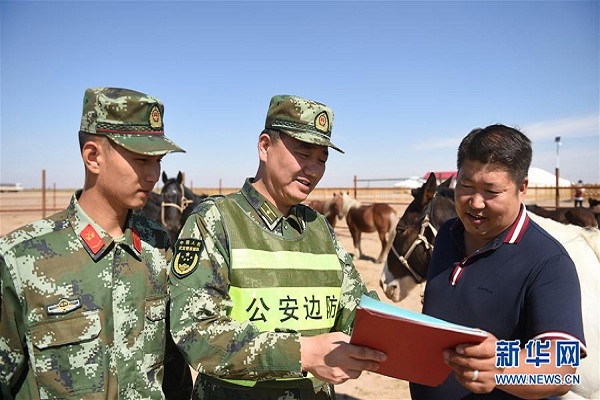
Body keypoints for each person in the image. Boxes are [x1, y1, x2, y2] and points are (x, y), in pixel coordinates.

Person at [169, 94, 386, 400]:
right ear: (265, 147)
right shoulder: (216, 220)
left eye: (322, 159)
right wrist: (301, 353)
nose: (313, 169)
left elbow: (356, 309)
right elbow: (194, 332)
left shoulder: (319, 227)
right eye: (303, 153)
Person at [0, 87, 191, 399]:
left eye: (158, 161)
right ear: (93, 157)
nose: (153, 174)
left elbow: (174, 372)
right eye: (142, 159)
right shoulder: (20, 259)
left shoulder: (158, 247)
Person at [410, 124, 586, 399]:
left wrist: (502, 365)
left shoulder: (549, 262)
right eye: (466, 186)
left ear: (522, 188)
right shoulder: (447, 233)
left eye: (491, 192)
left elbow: (562, 370)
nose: (475, 203)